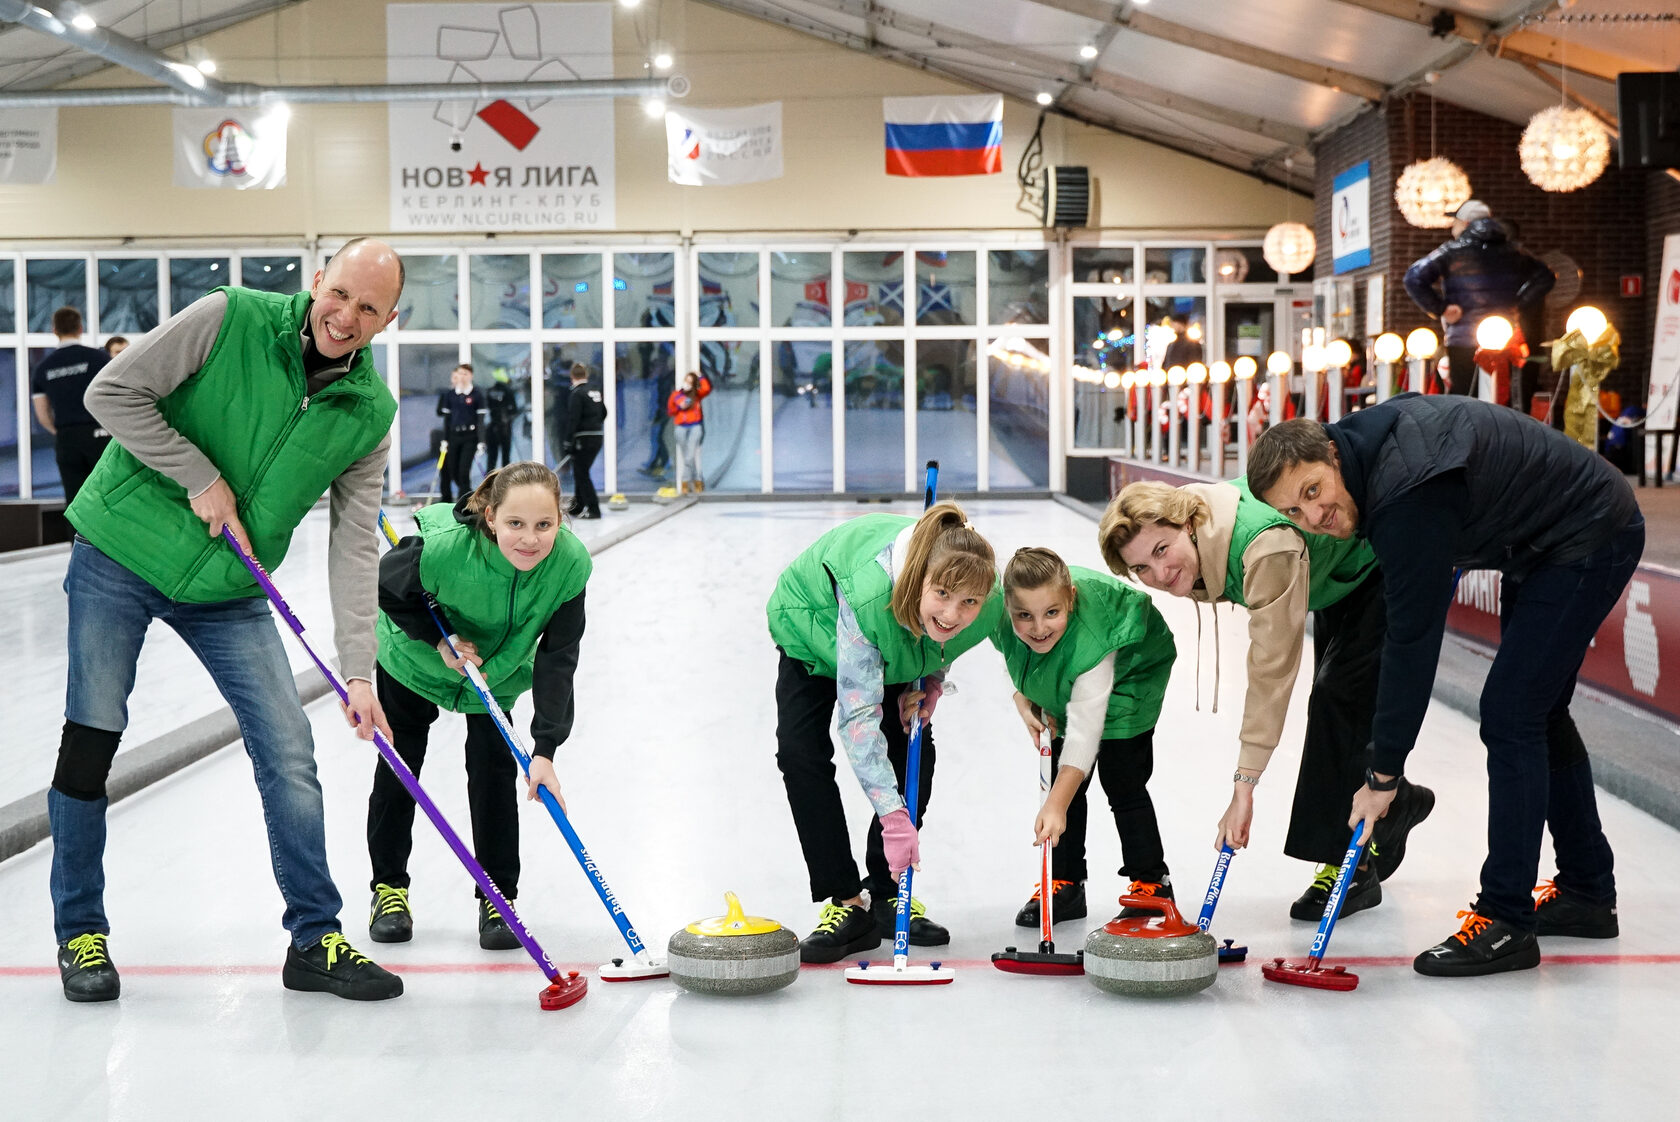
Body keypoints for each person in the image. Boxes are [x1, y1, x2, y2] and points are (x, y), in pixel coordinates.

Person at [49, 237, 407, 1003]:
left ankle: (315, 939)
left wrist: (357, 668)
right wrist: (200, 476)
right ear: (319, 280)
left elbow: (353, 548)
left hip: (228, 587)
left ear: (389, 319)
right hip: (119, 549)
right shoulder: (229, 316)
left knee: (289, 748)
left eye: (368, 308)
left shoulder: (369, 415)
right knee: (93, 733)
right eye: (339, 293)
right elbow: (110, 394)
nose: (345, 316)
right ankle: (80, 932)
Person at [1249, 399, 1642, 977]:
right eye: (1293, 510)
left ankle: (1505, 921)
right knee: (1538, 711)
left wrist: (1383, 776)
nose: (1314, 516)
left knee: (1512, 713)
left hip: (1587, 531)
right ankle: (1586, 889)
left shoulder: (1406, 495)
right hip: (1542, 539)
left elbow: (1411, 644)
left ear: (1331, 452)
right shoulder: (1367, 453)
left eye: (1313, 491)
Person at [1100, 476, 1435, 923]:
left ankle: (1348, 867)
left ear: (1188, 522)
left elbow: (1271, 670)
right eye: (1141, 568)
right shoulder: (1202, 533)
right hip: (1333, 571)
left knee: (1337, 695)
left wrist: (1245, 787)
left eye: (1162, 550)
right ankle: (1397, 803)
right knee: (1341, 697)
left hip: (1386, 560)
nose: (1158, 575)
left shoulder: (1264, 546)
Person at [767, 503, 1004, 962]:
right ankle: (848, 904)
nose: (955, 614)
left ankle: (889, 891)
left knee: (914, 744)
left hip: (897, 633)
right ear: (918, 581)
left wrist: (931, 679)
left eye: (969, 603)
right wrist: (894, 818)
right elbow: (858, 722)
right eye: (942, 594)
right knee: (800, 754)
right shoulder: (869, 599)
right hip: (813, 627)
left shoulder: (985, 602)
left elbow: (947, 637)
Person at [368, 461, 589, 951]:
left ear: (560, 521)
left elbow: (559, 658)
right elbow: (383, 588)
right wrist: (437, 641)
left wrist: (546, 750)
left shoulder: (571, 565)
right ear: (490, 517)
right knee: (401, 768)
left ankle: (498, 899)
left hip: (499, 670)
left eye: (543, 525)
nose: (529, 539)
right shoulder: (445, 549)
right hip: (416, 661)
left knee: (492, 773)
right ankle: (389, 889)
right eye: (515, 523)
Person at [991, 547, 1177, 928]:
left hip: (1132, 668)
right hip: (1071, 669)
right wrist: (1021, 693)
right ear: (1007, 607)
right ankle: (1066, 883)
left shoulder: (1093, 638)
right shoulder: (997, 615)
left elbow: (1086, 730)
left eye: (1051, 613)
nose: (1039, 627)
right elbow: (1012, 651)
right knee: (1064, 774)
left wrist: (1054, 805)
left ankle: (1152, 883)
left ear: (1070, 600)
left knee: (1121, 776)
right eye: (1023, 615)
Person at [1403, 200, 1554, 397]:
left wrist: (1442, 308)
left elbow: (1413, 277)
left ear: (1465, 224)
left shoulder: (1451, 251)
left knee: (1465, 402)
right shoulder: (1514, 251)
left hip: (1463, 340)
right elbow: (1546, 277)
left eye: (1455, 222)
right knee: (1500, 400)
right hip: (1505, 339)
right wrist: (1519, 303)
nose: (1452, 229)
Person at [29, 307, 112, 504]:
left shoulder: (43, 368)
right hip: (99, 433)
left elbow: (42, 414)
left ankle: (76, 535)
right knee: (107, 494)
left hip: (67, 438)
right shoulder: (98, 358)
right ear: (80, 328)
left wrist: (62, 432)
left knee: (75, 500)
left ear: (55, 330)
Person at [564, 362, 607, 520]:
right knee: (579, 471)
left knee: (582, 473)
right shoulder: (594, 391)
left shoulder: (577, 394)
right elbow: (603, 412)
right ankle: (578, 506)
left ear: (572, 377)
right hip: (597, 436)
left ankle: (594, 508)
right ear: (585, 375)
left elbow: (573, 419)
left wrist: (568, 441)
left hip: (583, 438)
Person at [436, 363, 483, 503]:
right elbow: (446, 419)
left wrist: (481, 441)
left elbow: (480, 420)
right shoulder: (450, 395)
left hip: (470, 437)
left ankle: (466, 502)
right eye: (460, 373)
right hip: (453, 436)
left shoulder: (476, 395)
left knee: (464, 471)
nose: (462, 377)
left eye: (465, 374)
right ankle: (460, 498)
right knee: (453, 470)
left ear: (471, 376)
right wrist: (444, 440)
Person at [667, 370, 712, 494]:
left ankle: (685, 481)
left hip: (695, 426)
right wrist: (678, 407)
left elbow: (706, 389)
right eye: (686, 381)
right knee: (687, 455)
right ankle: (697, 479)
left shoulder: (697, 395)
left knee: (690, 454)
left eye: (690, 382)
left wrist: (701, 377)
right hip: (681, 427)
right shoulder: (676, 394)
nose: (687, 384)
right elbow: (670, 411)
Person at [483, 370, 519, 473]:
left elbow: (486, 409)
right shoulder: (508, 391)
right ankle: (505, 481)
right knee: (505, 456)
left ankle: (489, 481)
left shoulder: (490, 391)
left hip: (493, 426)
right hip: (504, 427)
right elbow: (514, 409)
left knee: (492, 457)